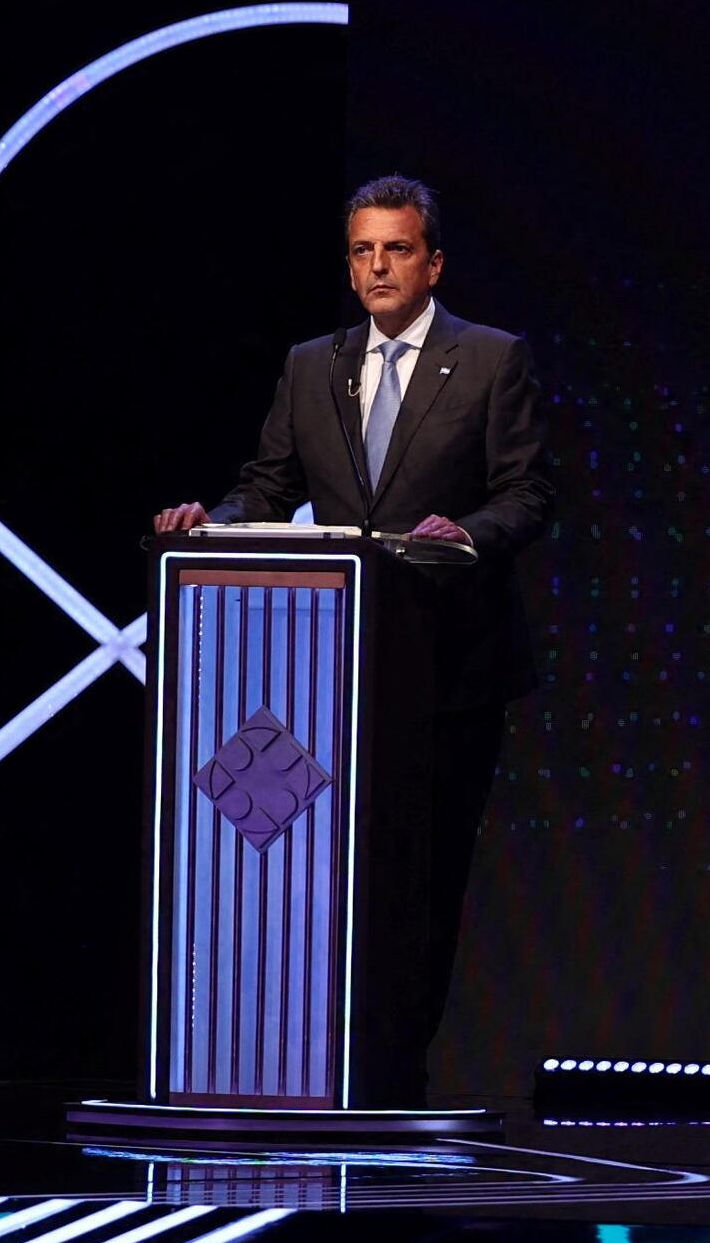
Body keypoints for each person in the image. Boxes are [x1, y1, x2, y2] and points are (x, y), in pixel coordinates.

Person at [154, 177, 551, 1107]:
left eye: (397, 249)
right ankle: (317, 1070)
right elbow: (269, 483)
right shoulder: (310, 366)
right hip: (329, 680)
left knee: (424, 883)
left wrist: (468, 534)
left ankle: (397, 1076)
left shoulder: (491, 360)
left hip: (450, 670)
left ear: (433, 261)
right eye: (363, 251)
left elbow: (526, 495)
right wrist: (212, 520)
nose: (378, 266)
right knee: (334, 884)